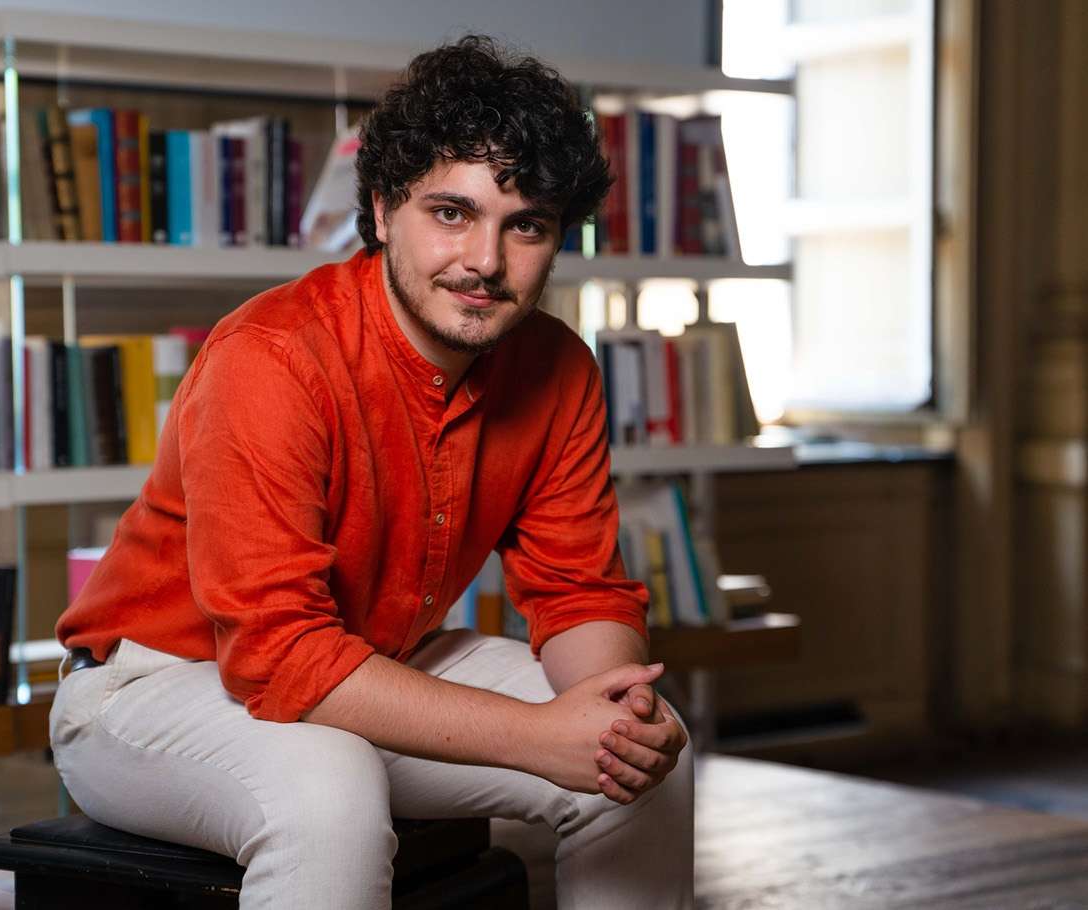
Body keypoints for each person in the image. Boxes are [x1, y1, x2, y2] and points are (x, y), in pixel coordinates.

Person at [51, 34, 693, 909]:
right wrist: (540, 736)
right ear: (386, 210)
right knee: (328, 794)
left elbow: (580, 592)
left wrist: (608, 714)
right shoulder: (271, 357)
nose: (485, 261)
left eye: (526, 225)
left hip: (373, 663)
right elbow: (276, 654)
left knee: (647, 757)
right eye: (452, 213)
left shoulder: (558, 368)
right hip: (149, 689)